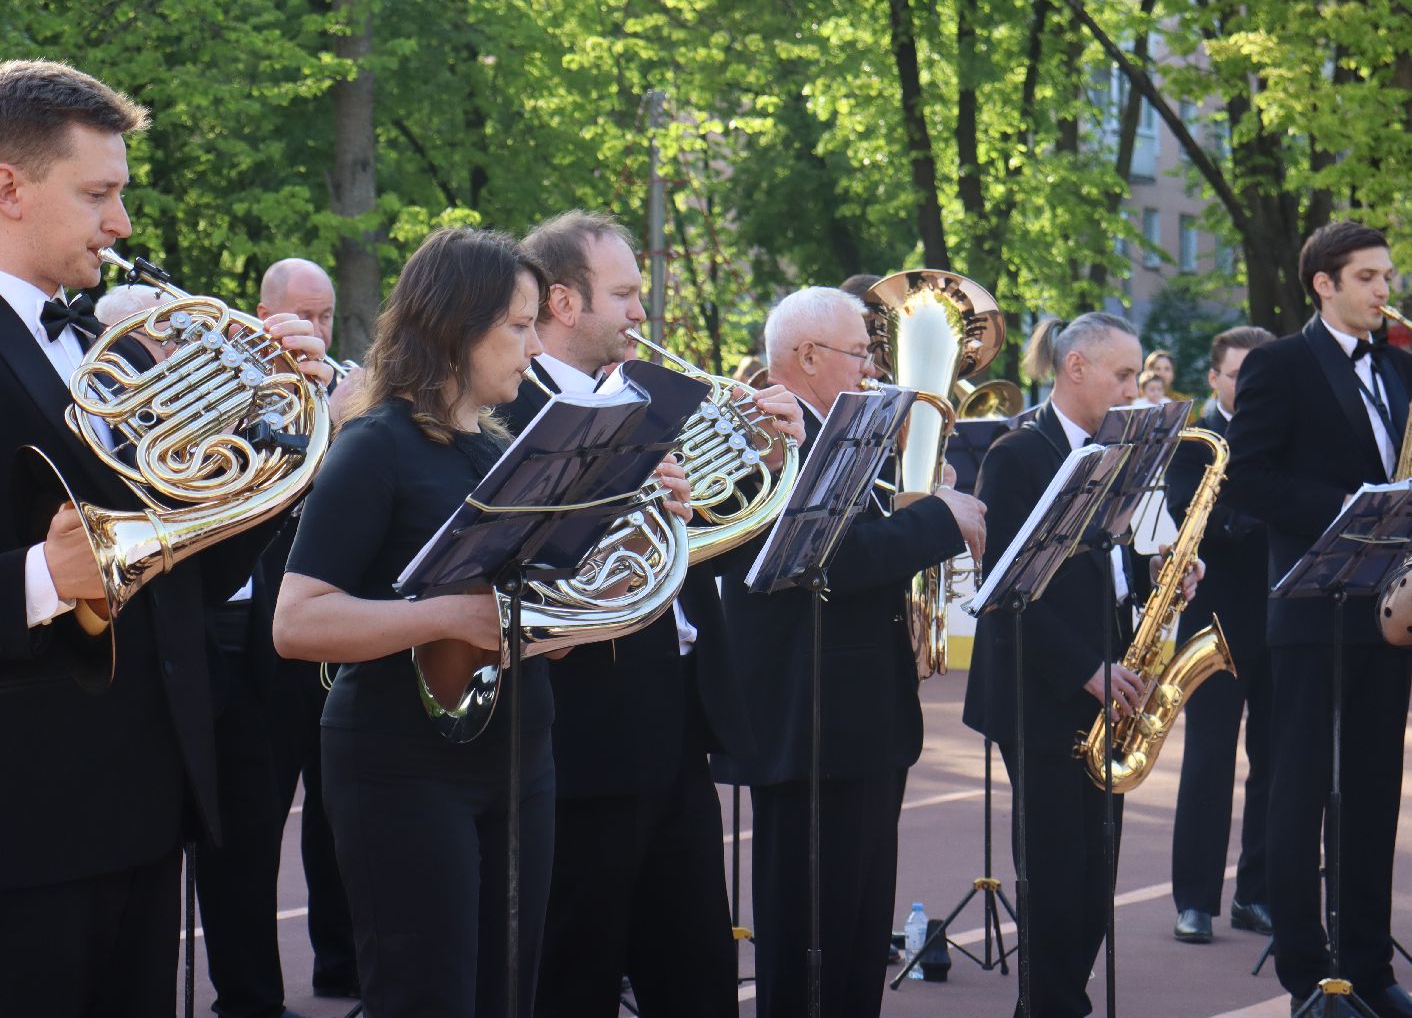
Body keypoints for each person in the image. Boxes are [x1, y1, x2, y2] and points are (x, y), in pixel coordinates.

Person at [0, 59, 329, 1018]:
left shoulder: (120, 357)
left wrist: (287, 439)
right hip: (23, 822)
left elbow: (177, 567)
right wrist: (42, 575)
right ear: (8, 190)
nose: (122, 224)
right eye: (99, 194)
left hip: (148, 800)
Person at [273, 227, 694, 1017]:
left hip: (519, 757)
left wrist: (643, 512)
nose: (535, 345)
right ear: (458, 327)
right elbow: (297, 623)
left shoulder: (497, 450)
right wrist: (446, 616)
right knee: (428, 998)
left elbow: (538, 623)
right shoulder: (375, 446)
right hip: (400, 766)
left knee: (508, 997)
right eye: (518, 325)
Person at [502, 210, 803, 1018]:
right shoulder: (508, 405)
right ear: (563, 304)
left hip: (673, 726)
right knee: (574, 972)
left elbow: (724, 552)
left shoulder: (657, 397)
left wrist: (768, 467)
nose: (643, 312)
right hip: (577, 737)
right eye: (626, 294)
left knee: (698, 972)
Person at [718, 286, 987, 1018]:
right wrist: (937, 518)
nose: (874, 367)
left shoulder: (840, 434)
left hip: (861, 722)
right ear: (806, 357)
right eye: (860, 352)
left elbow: (861, 541)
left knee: (860, 935)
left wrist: (922, 498)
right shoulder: (763, 434)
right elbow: (826, 557)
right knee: (810, 939)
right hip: (807, 725)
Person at [964, 311, 1198, 1018]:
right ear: (1076, 369)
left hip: (1105, 688)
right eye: (1123, 374)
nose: (1135, 388)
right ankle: (1049, 1007)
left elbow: (1101, 562)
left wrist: (1157, 570)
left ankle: (1062, 1002)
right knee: (1057, 878)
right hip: (1043, 692)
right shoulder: (1017, 455)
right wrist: (1086, 670)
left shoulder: (1112, 451)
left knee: (1096, 878)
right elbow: (1007, 592)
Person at [1224, 220, 1412, 1016]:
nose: (1383, 290)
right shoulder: (1278, 363)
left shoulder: (1403, 368)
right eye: (1367, 277)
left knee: (1373, 796)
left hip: (1389, 616)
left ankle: (1370, 970)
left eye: (1386, 276)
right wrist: (1349, 510)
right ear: (1323, 284)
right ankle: (1309, 973)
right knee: (1300, 794)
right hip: (1308, 612)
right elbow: (1249, 482)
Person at [193, 254, 359, 1018]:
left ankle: (344, 964)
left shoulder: (350, 385)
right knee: (250, 828)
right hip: (248, 637)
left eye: (325, 316)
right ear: (262, 315)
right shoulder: (223, 387)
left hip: (338, 629)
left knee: (342, 813)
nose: (317, 331)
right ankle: (250, 997)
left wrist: (347, 417)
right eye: (302, 315)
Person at [1168, 325, 1276, 945]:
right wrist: (1269, 512)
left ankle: (1256, 895)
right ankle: (1195, 902)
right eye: (1239, 373)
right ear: (1215, 378)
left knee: (1276, 761)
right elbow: (1196, 517)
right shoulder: (1196, 440)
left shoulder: (1284, 433)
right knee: (1208, 760)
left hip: (1281, 618)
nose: (1250, 384)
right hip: (1214, 621)